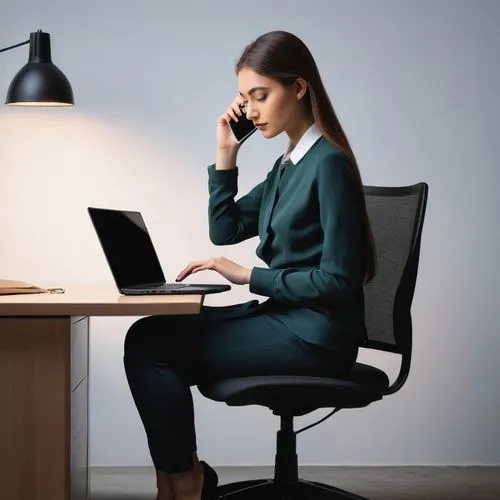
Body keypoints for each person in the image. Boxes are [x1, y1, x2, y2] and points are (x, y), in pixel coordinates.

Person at [123, 30, 376, 500]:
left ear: (299, 88)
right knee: (148, 334)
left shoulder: (329, 165)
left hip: (315, 337)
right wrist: (226, 153)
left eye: (260, 96)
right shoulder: (289, 166)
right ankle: (180, 478)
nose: (251, 110)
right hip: (285, 320)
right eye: (245, 99)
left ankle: (184, 483)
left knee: (151, 346)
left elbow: (340, 281)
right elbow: (226, 227)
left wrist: (247, 275)